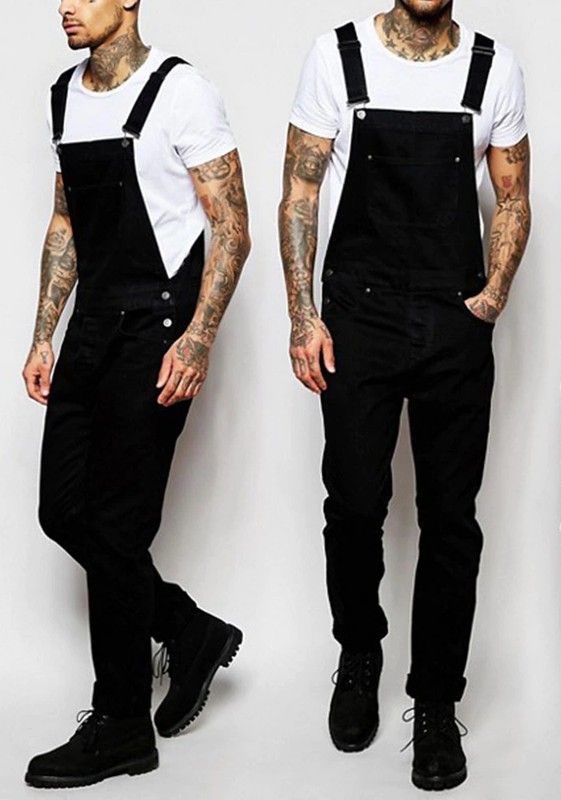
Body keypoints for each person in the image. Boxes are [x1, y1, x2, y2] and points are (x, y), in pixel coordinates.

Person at [279, 0, 530, 791]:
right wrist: (303, 316)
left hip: (454, 317)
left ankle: (436, 703)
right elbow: (299, 191)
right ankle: (360, 652)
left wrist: (492, 295)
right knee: (355, 503)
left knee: (451, 520)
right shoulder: (338, 55)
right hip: (359, 314)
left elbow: (514, 196)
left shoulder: (492, 66)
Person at [22, 0, 251, 788]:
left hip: (157, 331)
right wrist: (44, 333)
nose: (64, 6)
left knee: (117, 529)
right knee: (64, 511)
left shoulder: (181, 91)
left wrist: (198, 337)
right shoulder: (63, 95)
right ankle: (186, 629)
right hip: (90, 328)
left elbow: (232, 227)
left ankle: (121, 724)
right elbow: (65, 223)